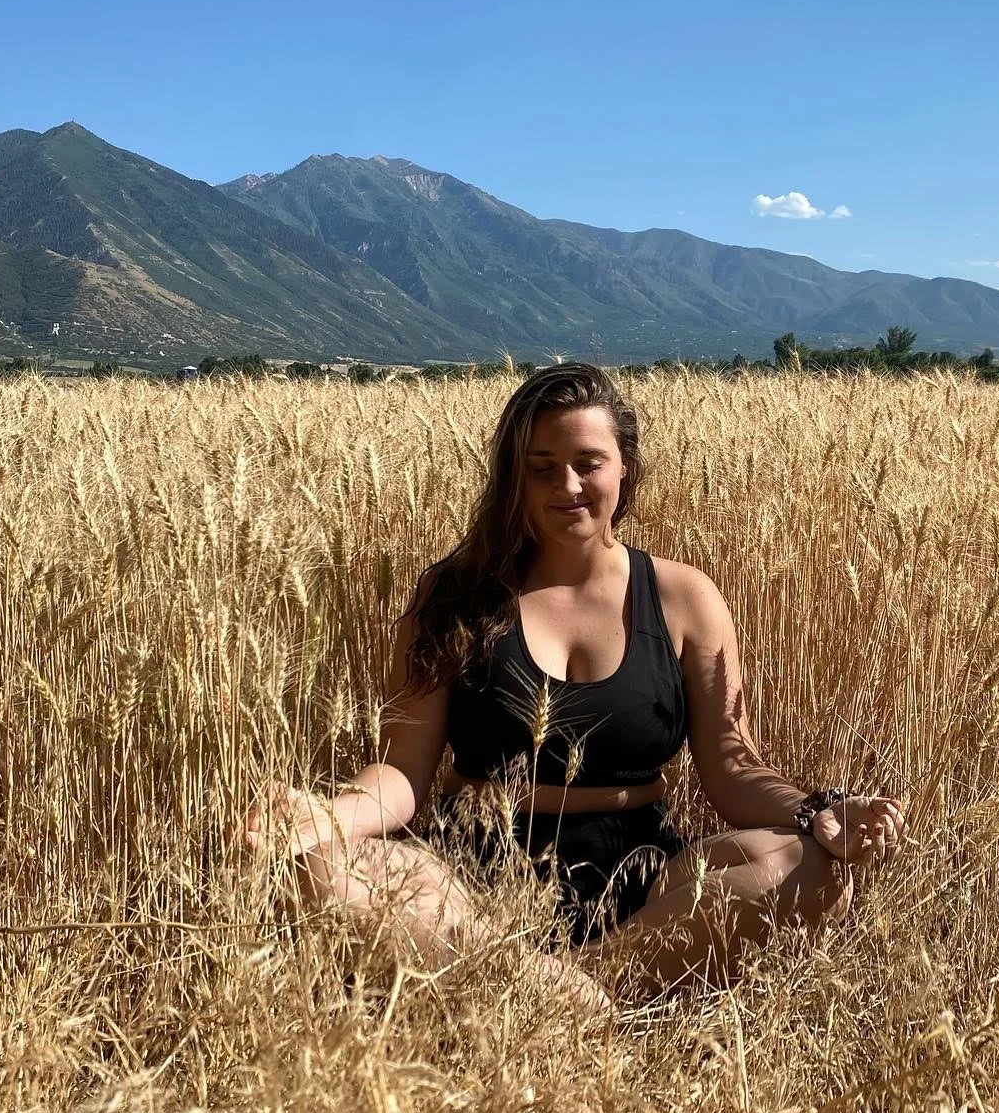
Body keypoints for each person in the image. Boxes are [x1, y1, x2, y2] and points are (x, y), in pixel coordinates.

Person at [250, 363, 905, 1010]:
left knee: (813, 868)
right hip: (471, 882)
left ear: (624, 467)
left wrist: (815, 811)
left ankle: (550, 988)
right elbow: (401, 770)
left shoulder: (683, 598)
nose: (567, 484)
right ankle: (575, 996)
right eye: (541, 466)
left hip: (640, 880)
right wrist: (329, 816)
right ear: (514, 478)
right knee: (317, 867)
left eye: (588, 462)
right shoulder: (454, 595)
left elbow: (733, 766)